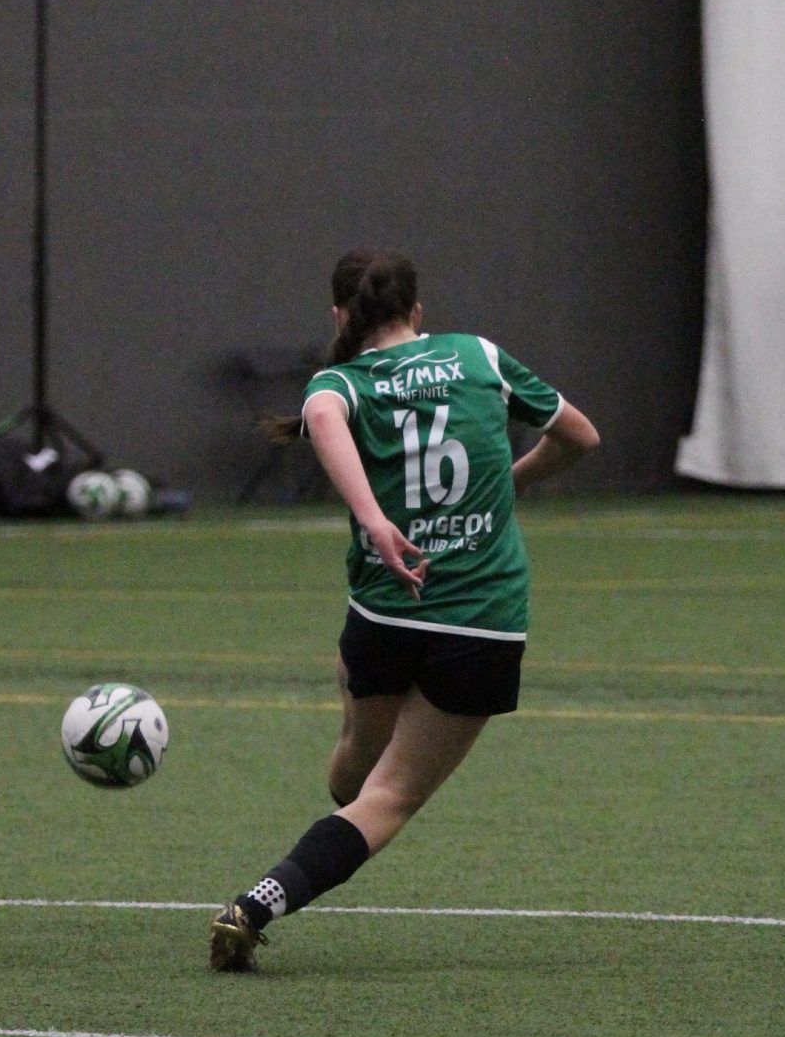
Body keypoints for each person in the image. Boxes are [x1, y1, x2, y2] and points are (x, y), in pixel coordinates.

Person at [210, 249, 599, 971]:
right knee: (387, 797)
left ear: (338, 317)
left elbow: (320, 414)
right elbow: (579, 436)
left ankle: (338, 818)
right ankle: (258, 904)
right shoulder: (478, 355)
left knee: (356, 773)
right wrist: (511, 481)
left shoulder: (340, 381)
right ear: (417, 312)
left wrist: (375, 520)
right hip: (480, 622)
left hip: (383, 614)